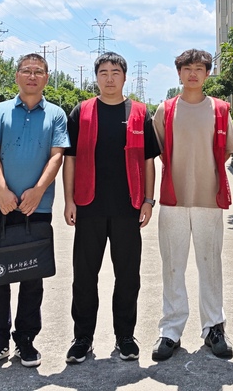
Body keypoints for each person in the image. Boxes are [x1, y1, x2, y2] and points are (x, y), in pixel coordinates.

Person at [62, 52, 160, 363]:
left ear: (125, 77)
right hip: (88, 205)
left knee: (128, 276)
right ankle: (82, 338)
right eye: (103, 72)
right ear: (96, 77)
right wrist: (68, 200)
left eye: (115, 72)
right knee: (84, 276)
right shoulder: (81, 112)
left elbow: (149, 160)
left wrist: (148, 200)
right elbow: (70, 159)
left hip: (128, 207)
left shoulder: (139, 113)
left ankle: (125, 336)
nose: (109, 78)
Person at [0, 54, 69, 370]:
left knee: (32, 276)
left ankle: (26, 340)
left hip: (36, 208)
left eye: (38, 72)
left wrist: (39, 191)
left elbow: (57, 156)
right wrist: (1, 190)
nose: (32, 76)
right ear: (16, 76)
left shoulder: (56, 114)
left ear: (47, 78)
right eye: (26, 71)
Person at [151, 49, 233, 361]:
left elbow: (225, 151)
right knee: (172, 266)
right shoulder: (165, 109)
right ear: (178, 73)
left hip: (209, 198)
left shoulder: (220, 109)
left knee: (210, 265)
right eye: (187, 68)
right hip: (173, 198)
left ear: (207, 73)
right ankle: (171, 330)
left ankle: (213, 327)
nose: (192, 74)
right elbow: (158, 150)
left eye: (199, 68)